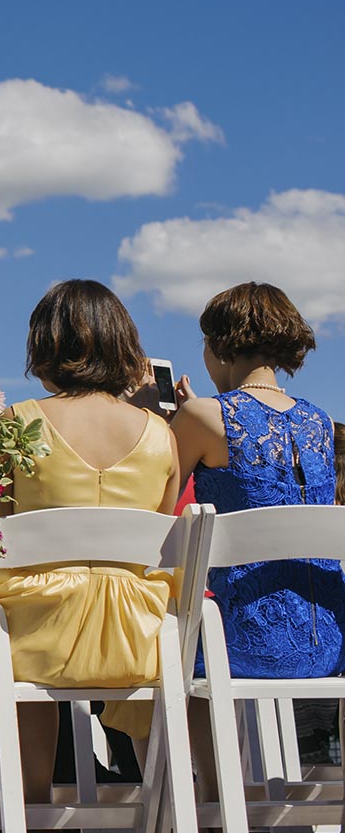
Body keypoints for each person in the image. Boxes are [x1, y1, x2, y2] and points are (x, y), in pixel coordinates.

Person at [0, 279, 179, 833]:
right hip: (138, 637)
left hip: (39, 631)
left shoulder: (17, 423)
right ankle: (160, 825)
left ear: (44, 344)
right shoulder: (162, 434)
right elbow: (160, 540)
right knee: (6, 624)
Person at [171, 281, 345, 678]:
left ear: (218, 344)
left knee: (164, 644)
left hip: (241, 643)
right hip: (332, 642)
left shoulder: (202, 416)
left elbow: (160, 512)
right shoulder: (320, 422)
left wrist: (180, 421)